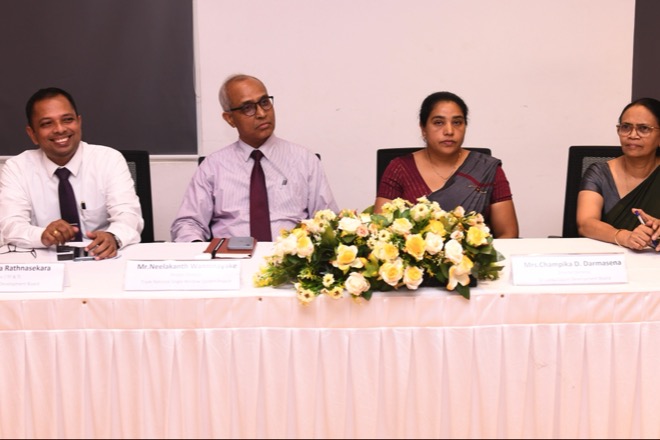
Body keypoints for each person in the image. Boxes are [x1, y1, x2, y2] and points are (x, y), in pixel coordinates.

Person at [171, 74, 338, 242]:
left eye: (264, 102)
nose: (261, 113)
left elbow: (327, 221)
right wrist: (199, 250)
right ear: (230, 119)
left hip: (290, 255)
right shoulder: (213, 166)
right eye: (248, 108)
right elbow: (188, 223)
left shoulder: (305, 160)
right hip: (230, 255)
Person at [0, 87, 144, 259]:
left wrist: (113, 236)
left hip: (101, 260)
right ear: (32, 134)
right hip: (45, 263)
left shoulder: (109, 159)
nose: (60, 129)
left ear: (79, 122)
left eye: (67, 120)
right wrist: (42, 235)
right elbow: (10, 225)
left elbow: (128, 215)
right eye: (47, 123)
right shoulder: (17, 168)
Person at [374, 91, 519, 238]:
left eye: (457, 122)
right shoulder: (399, 169)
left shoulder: (486, 169)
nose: (449, 131)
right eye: (438, 122)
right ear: (423, 128)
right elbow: (381, 232)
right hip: (413, 253)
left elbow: (508, 233)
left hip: (477, 254)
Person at [577, 97, 660, 251]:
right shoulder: (599, 173)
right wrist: (625, 237)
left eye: (643, 128)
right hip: (609, 259)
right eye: (626, 127)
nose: (632, 135)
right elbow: (586, 223)